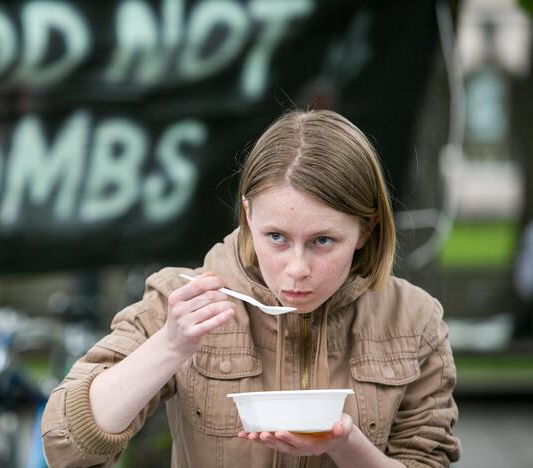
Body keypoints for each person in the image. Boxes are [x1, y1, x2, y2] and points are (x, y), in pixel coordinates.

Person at [41, 110, 461, 468]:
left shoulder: (413, 319)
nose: (296, 269)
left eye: (322, 241)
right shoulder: (182, 298)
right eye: (276, 236)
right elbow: (66, 445)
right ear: (248, 214)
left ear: (366, 230)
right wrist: (169, 345)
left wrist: (344, 444)